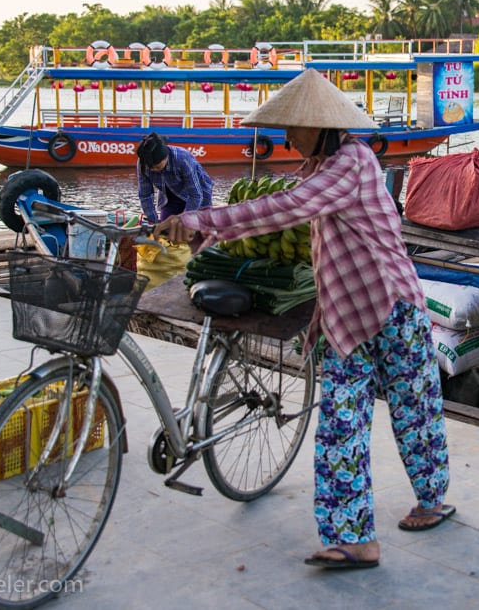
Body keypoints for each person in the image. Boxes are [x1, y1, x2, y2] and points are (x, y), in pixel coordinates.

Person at [155, 68, 454, 569]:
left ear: (322, 126)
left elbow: (288, 209)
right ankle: (354, 538)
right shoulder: (319, 168)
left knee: (414, 407)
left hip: (392, 304)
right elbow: (288, 214)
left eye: (295, 126)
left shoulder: (352, 162)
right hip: (345, 313)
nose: (287, 136)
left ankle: (432, 497)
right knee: (340, 423)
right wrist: (205, 233)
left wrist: (199, 219)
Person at [136, 131, 213, 222]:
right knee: (165, 227)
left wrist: (182, 220)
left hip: (199, 193)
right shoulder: (143, 164)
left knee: (196, 227)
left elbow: (195, 195)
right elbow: (145, 195)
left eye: (157, 166)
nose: (153, 170)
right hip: (170, 195)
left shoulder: (183, 159)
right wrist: (154, 220)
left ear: (166, 157)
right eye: (150, 167)